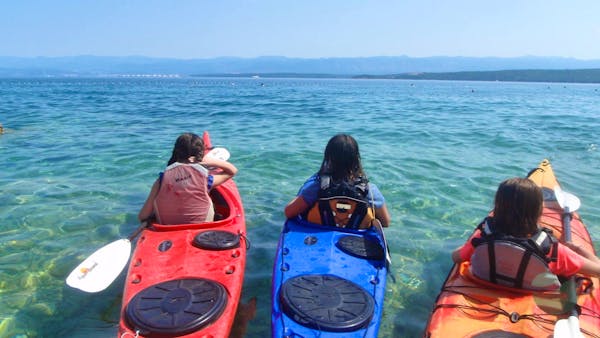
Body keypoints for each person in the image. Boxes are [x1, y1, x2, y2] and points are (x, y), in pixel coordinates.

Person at [452, 177, 600, 288]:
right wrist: (580, 250)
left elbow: (456, 257)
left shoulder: (483, 237)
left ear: (498, 206)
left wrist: (468, 247)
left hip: (486, 284)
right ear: (538, 210)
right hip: (532, 293)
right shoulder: (552, 250)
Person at [284, 134, 391, 228]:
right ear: (356, 158)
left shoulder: (316, 186)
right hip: (355, 240)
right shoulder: (369, 190)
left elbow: (289, 212)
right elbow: (385, 222)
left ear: (329, 157)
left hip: (319, 234)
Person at [138, 132, 237, 224]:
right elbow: (232, 171)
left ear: (176, 152)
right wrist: (209, 161)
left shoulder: (161, 180)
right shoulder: (205, 179)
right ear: (200, 156)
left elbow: (143, 216)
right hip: (202, 225)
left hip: (167, 226)